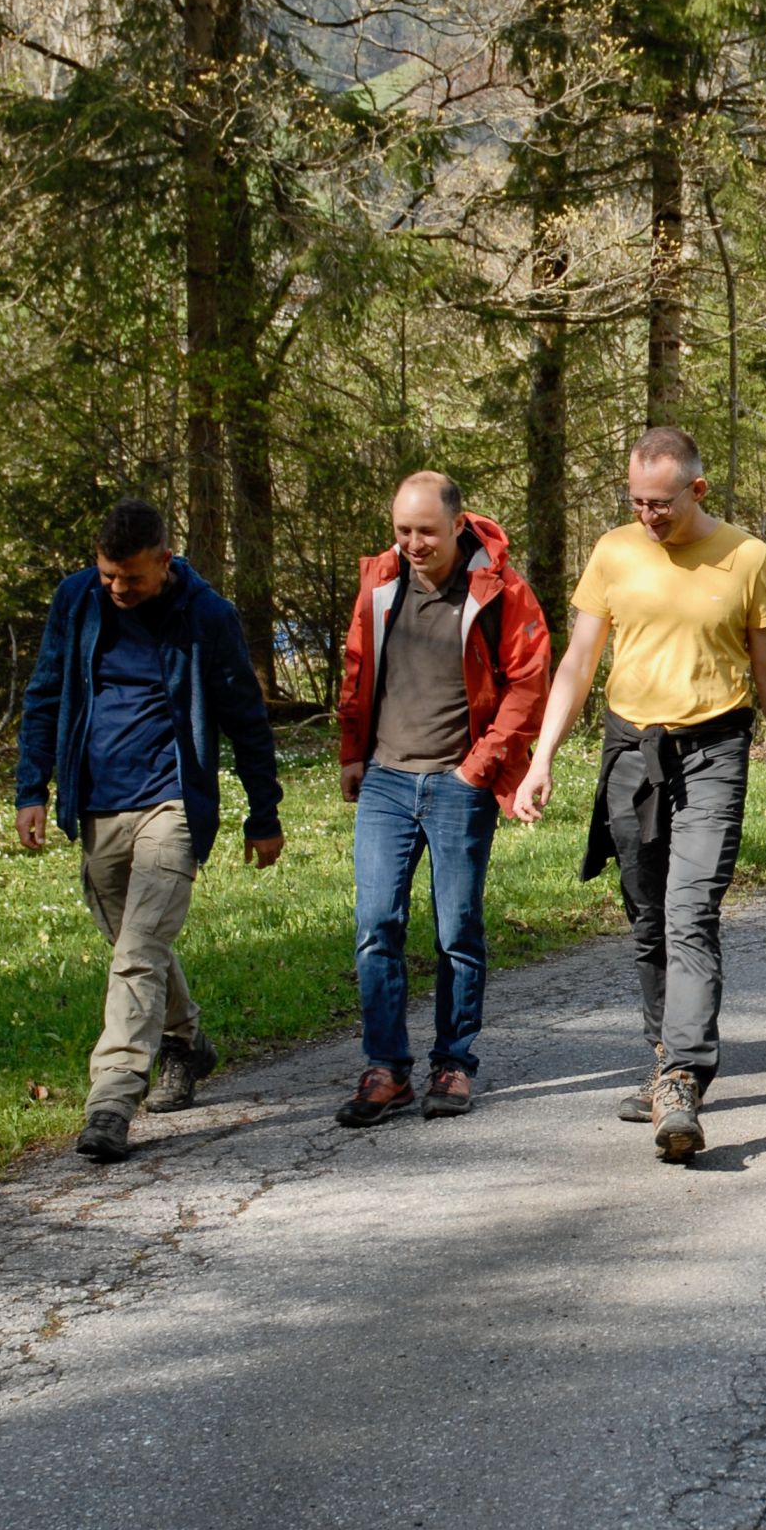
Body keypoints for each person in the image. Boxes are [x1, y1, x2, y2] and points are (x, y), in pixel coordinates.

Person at [512, 426, 766, 1164]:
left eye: (661, 503)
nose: (648, 516)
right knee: (648, 916)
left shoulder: (747, 557)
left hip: (714, 750)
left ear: (697, 489)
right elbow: (579, 661)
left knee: (690, 911)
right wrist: (541, 757)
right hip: (630, 753)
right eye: (637, 503)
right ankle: (662, 1059)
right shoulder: (614, 552)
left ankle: (683, 1074)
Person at [14, 499, 284, 1162]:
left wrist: (263, 812)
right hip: (97, 804)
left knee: (138, 951)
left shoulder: (207, 616)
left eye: (131, 577)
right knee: (135, 944)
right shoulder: (77, 600)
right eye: (108, 573)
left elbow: (246, 718)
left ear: (165, 561)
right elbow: (45, 695)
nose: (117, 588)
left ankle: (111, 1099)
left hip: (172, 804)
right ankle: (187, 1043)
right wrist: (32, 789)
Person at [331, 472, 551, 1127]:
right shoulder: (381, 581)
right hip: (386, 780)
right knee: (377, 926)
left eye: (426, 531)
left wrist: (477, 769)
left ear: (457, 524)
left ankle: (453, 1061)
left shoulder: (499, 589)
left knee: (457, 931)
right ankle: (387, 1069)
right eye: (402, 530)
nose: (413, 543)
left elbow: (528, 684)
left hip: (459, 784)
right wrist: (351, 752)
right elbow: (356, 667)